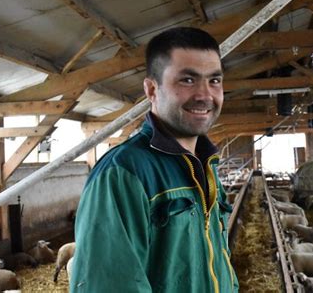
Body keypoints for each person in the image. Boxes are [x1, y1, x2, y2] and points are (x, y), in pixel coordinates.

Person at [70, 27, 239, 292]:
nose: (205, 95)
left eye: (214, 80)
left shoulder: (206, 165)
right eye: (187, 80)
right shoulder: (124, 173)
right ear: (151, 89)